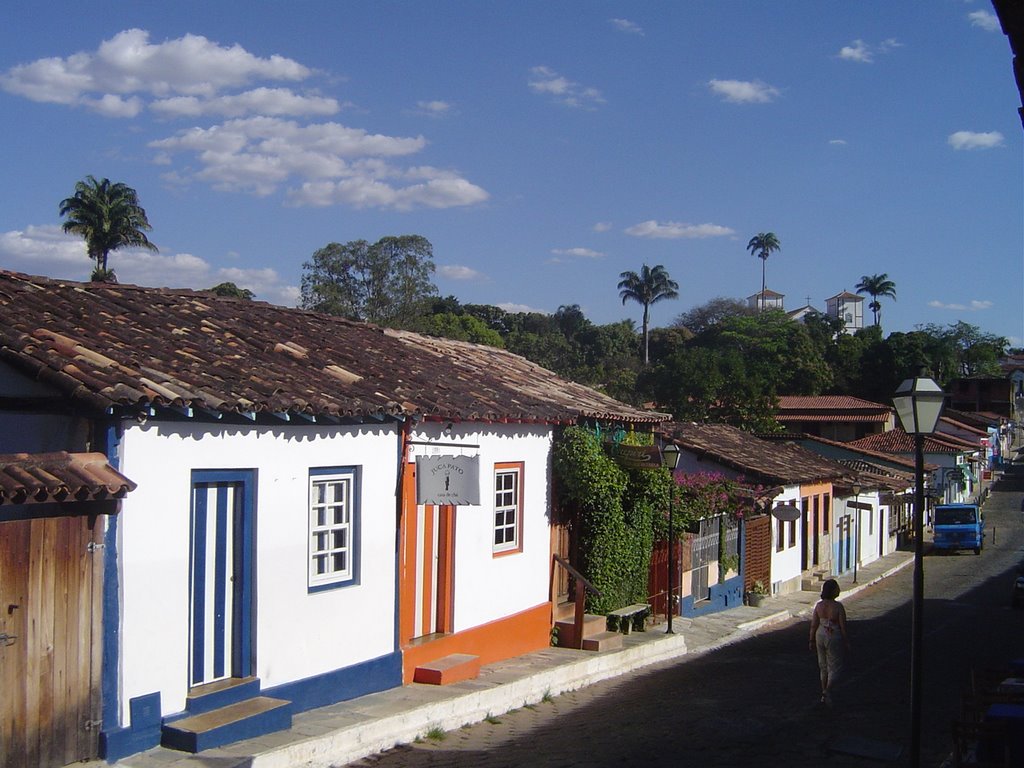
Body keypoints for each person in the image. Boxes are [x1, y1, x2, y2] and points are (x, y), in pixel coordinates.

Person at [809, 578, 849, 706]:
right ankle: (827, 690)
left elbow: (813, 625)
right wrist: (846, 641)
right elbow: (843, 626)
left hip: (819, 634)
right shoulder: (838, 607)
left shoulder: (819, 606)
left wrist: (811, 640)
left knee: (823, 666)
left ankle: (824, 694)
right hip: (833, 635)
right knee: (835, 667)